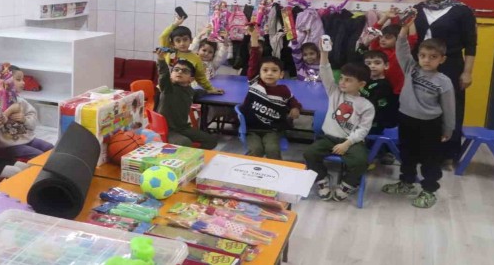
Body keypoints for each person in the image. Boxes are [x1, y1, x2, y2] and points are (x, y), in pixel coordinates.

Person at [381, 23, 455, 209]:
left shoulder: (444, 82)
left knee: (430, 159)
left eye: (433, 57)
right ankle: (406, 182)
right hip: (406, 120)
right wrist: (404, 29)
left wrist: (448, 129)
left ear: (442, 59)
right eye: (423, 56)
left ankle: (429, 190)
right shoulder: (411, 68)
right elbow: (401, 48)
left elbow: (449, 108)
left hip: (430, 125)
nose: (427, 60)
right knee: (407, 154)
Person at [413, 0, 476, 170]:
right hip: (422, 65)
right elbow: (412, 38)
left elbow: (471, 45)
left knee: (451, 108)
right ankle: (424, 151)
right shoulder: (418, 9)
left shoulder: (462, 11)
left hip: (451, 65)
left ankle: (449, 154)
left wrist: (467, 72)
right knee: (424, 106)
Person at [303, 39, 374, 202]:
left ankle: (348, 184)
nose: (342, 82)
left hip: (351, 142)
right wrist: (324, 52)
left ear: (361, 84)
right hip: (328, 138)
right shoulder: (334, 92)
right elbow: (325, 71)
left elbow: (363, 130)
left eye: (348, 80)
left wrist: (347, 144)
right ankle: (322, 179)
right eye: (341, 78)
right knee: (309, 153)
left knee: (361, 161)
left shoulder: (366, 105)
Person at [238, 26, 301, 159]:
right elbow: (254, 60)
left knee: (272, 150)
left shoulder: (284, 90)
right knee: (256, 151)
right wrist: (253, 37)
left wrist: (295, 107)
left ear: (281, 74)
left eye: (274, 70)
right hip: (252, 129)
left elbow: (293, 101)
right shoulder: (255, 83)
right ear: (259, 73)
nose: (269, 73)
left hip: (272, 130)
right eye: (265, 70)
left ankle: (275, 170)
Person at [0, 66, 54, 160]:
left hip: (27, 139)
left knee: (51, 148)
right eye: (18, 79)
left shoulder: (21, 101)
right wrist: (9, 111)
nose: (23, 82)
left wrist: (24, 119)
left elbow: (33, 121)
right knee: (40, 156)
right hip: (7, 146)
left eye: (22, 79)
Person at [155, 49, 218, 149]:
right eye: (176, 70)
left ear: (191, 79)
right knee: (185, 142)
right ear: (171, 75)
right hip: (168, 129)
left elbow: (196, 93)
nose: (179, 72)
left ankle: (194, 155)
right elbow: (163, 74)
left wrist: (209, 91)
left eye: (185, 71)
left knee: (211, 140)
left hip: (183, 128)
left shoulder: (189, 90)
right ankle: (184, 154)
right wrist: (161, 59)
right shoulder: (168, 88)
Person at [159, 16, 223, 94]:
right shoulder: (170, 51)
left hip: (183, 92)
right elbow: (163, 37)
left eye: (185, 39)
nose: (182, 43)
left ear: (191, 40)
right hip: (164, 89)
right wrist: (176, 24)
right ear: (173, 43)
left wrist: (211, 89)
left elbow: (201, 78)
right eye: (178, 41)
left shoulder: (196, 58)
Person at [365, 8, 417, 95]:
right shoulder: (377, 50)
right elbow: (374, 32)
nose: (382, 40)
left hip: (397, 92)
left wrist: (410, 20)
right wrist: (386, 16)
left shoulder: (400, 53)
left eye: (388, 37)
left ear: (398, 39)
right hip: (378, 90)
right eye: (381, 37)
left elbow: (412, 38)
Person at [360, 50, 398, 166]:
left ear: (386, 65)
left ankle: (380, 154)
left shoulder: (384, 85)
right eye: (368, 63)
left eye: (377, 63)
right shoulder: (365, 81)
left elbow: (374, 109)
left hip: (377, 121)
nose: (372, 66)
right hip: (364, 117)